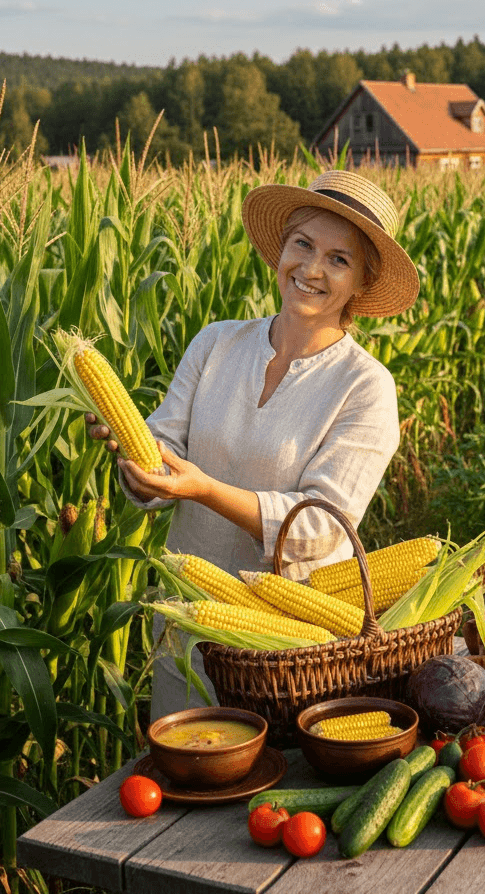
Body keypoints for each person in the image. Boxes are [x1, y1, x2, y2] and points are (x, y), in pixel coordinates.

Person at [87, 169, 421, 720]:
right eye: (303, 244)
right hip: (188, 632)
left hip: (288, 656)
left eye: (339, 260)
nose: (312, 269)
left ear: (362, 282)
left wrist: (202, 488)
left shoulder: (365, 387)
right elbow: (161, 457)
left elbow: (320, 528)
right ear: (281, 248)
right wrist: (133, 455)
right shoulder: (216, 342)